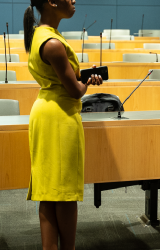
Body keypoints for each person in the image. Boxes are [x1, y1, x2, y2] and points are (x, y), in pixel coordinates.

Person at [23, 0, 102, 249]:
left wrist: (81, 77)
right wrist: (88, 80)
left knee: (48, 192)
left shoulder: (42, 35)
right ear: (52, 2)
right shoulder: (54, 43)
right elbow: (75, 91)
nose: (74, 0)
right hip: (60, 117)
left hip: (46, 112)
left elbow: (64, 78)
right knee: (65, 194)